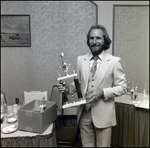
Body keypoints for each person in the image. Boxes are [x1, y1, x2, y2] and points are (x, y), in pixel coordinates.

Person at [57, 24, 127, 147]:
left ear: (104, 40)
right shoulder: (81, 60)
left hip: (104, 116)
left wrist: (102, 92)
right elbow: (78, 84)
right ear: (88, 41)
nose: (94, 42)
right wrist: (68, 88)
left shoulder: (114, 61)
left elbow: (123, 87)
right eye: (91, 38)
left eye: (98, 38)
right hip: (84, 114)